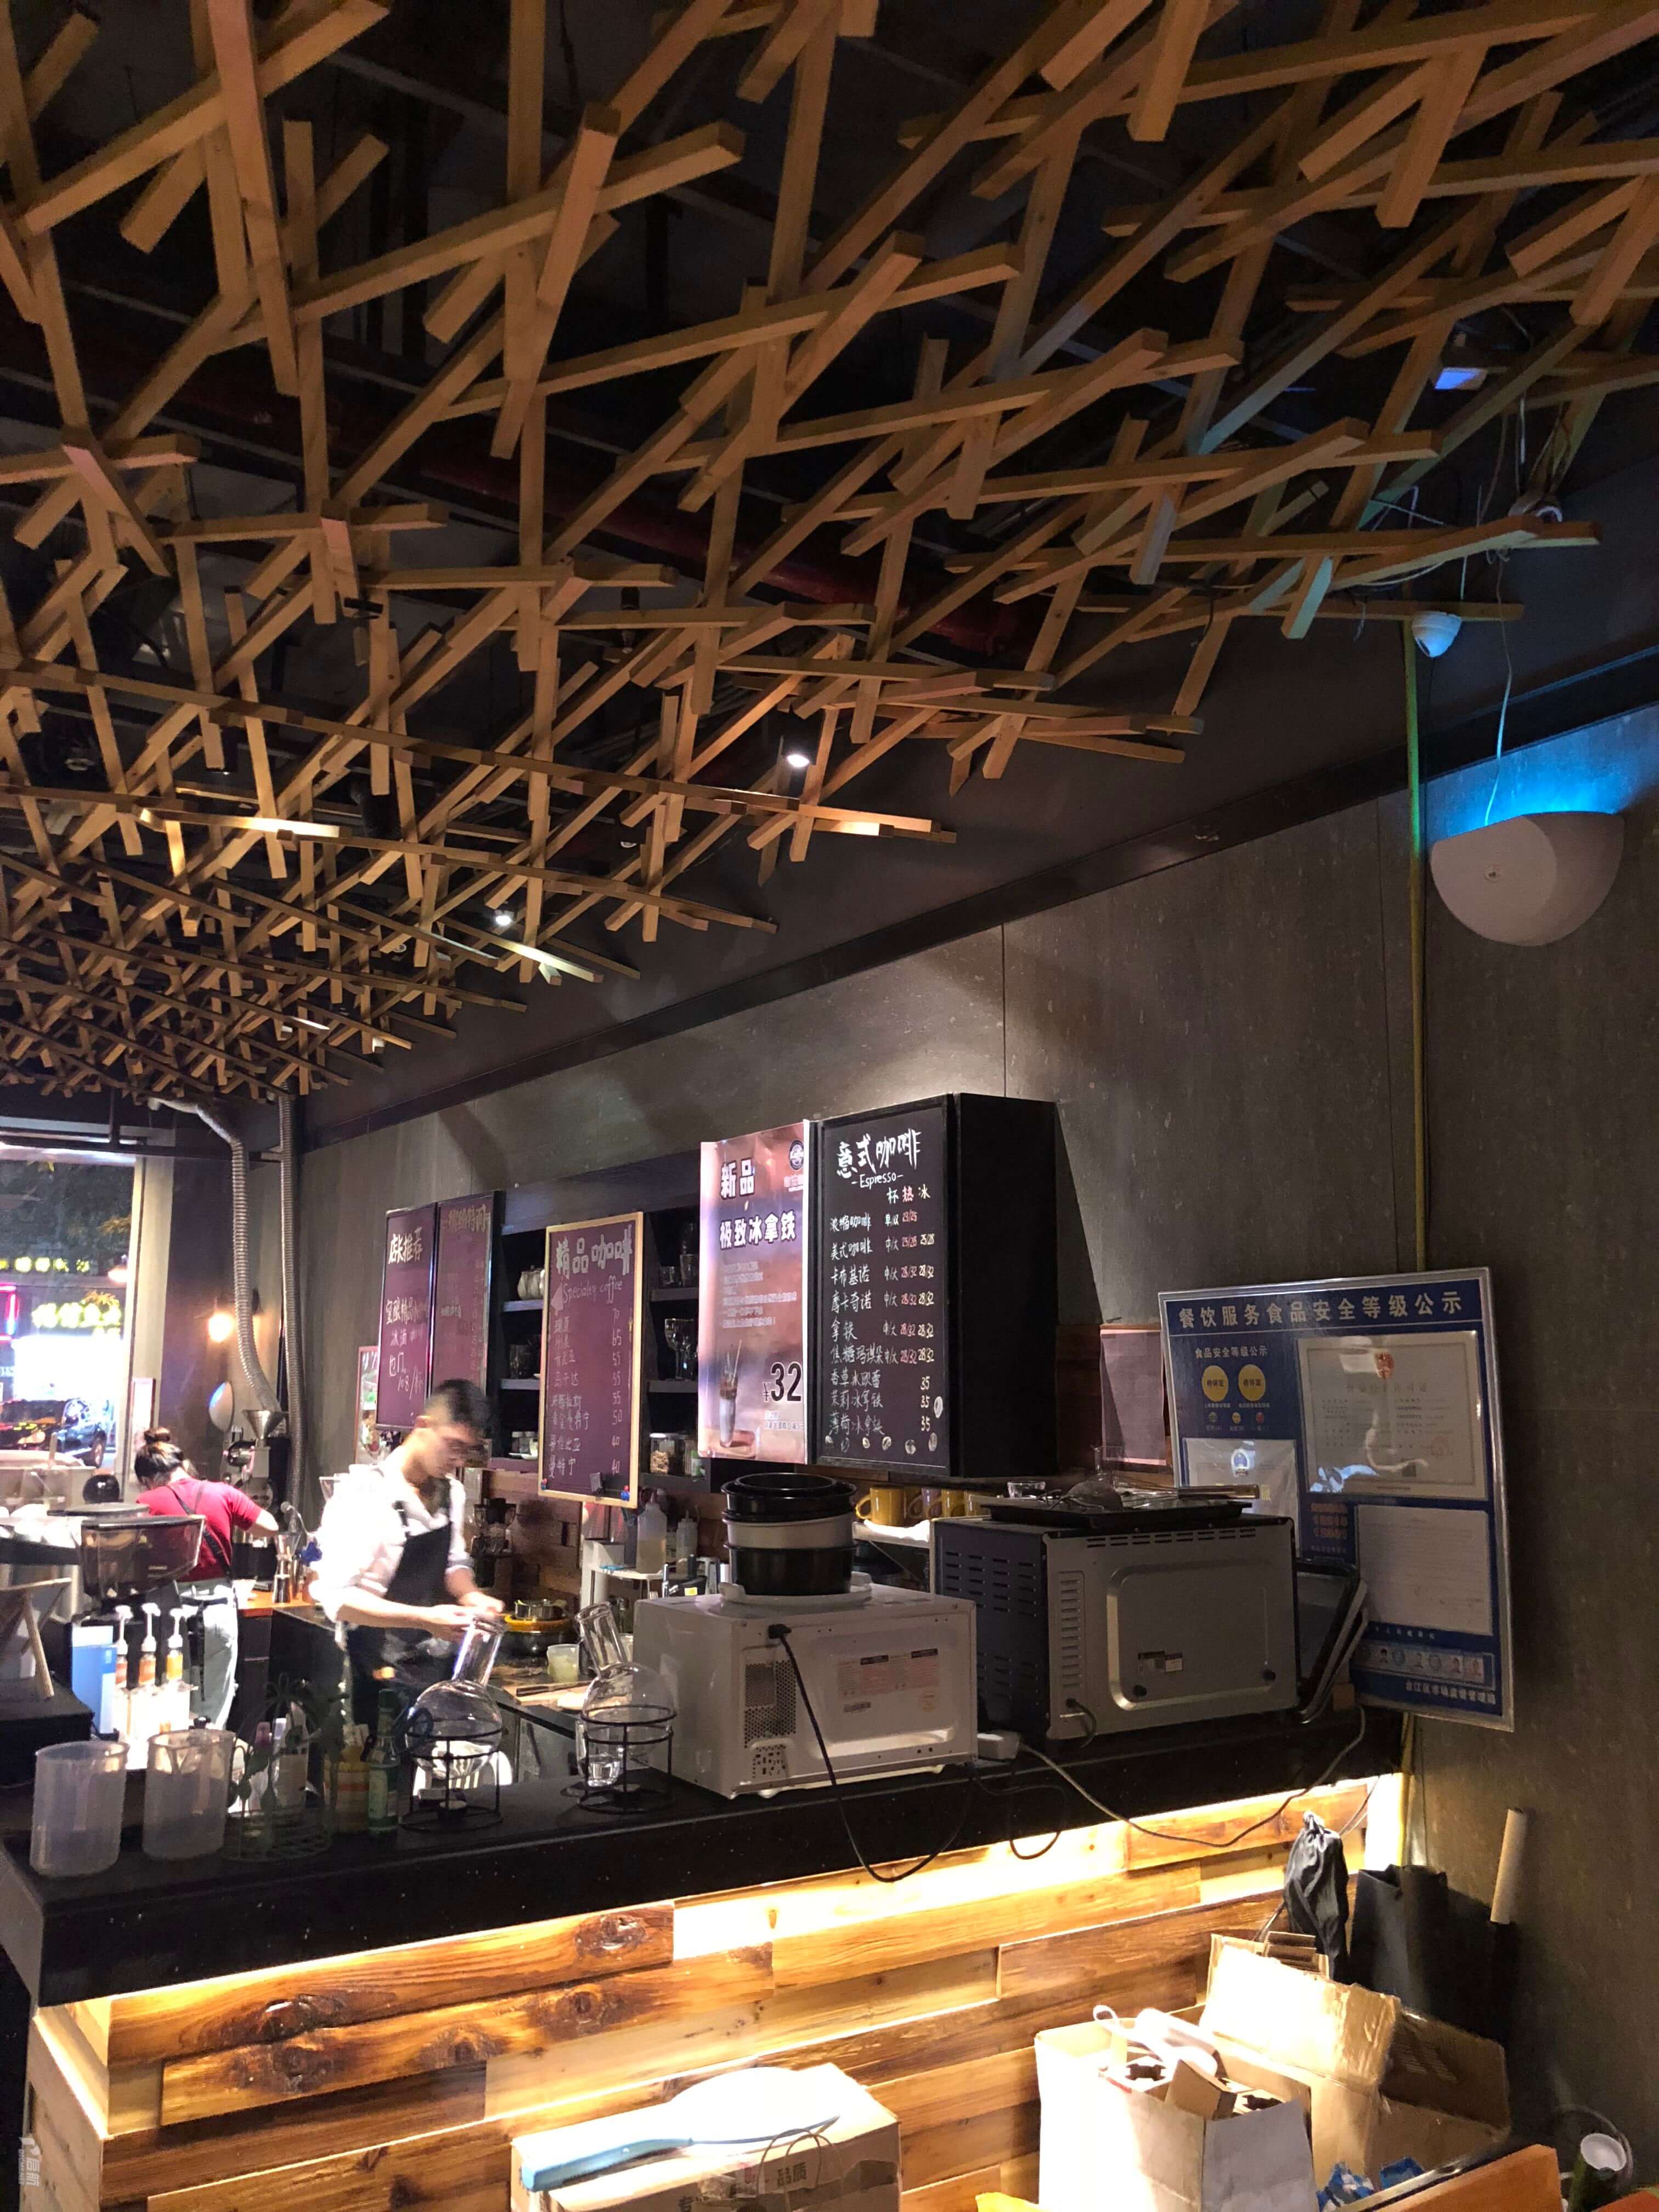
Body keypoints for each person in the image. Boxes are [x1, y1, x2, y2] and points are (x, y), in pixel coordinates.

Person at [312, 1378, 503, 1723]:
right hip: (373, 1676)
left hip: (432, 1674)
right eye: (452, 1445)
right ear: (423, 1426)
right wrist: (425, 1619)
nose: (457, 1459)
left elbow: (453, 1563)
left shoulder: (452, 1494)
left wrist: (471, 1596)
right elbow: (338, 1599)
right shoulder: (365, 1494)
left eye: (466, 1451)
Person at [135, 1430, 278, 1726]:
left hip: (171, 1612)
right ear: (181, 1465)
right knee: (213, 1711)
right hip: (219, 1611)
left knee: (171, 1705)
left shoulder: (147, 1502)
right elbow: (270, 1526)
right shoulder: (223, 1493)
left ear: (149, 1479)